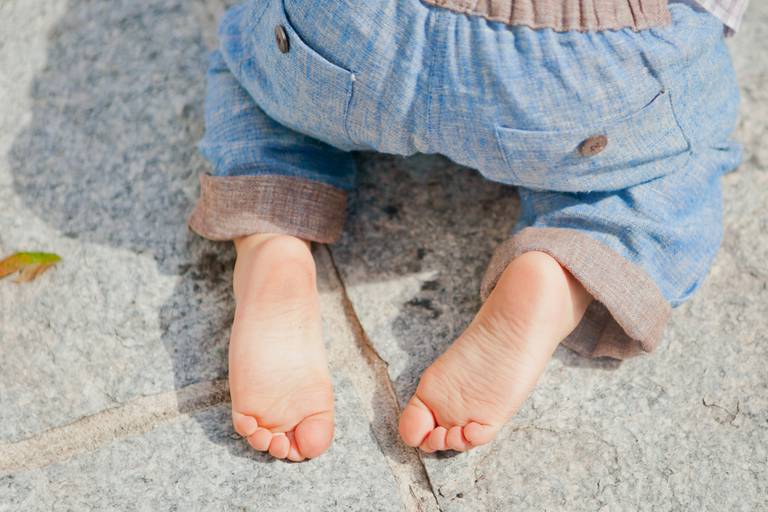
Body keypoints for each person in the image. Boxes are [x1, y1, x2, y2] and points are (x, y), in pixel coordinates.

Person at [188, 0, 748, 461]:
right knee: (677, 156)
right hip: (573, 69)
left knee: (256, 75)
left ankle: (272, 237)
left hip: (350, 37)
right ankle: (561, 271)